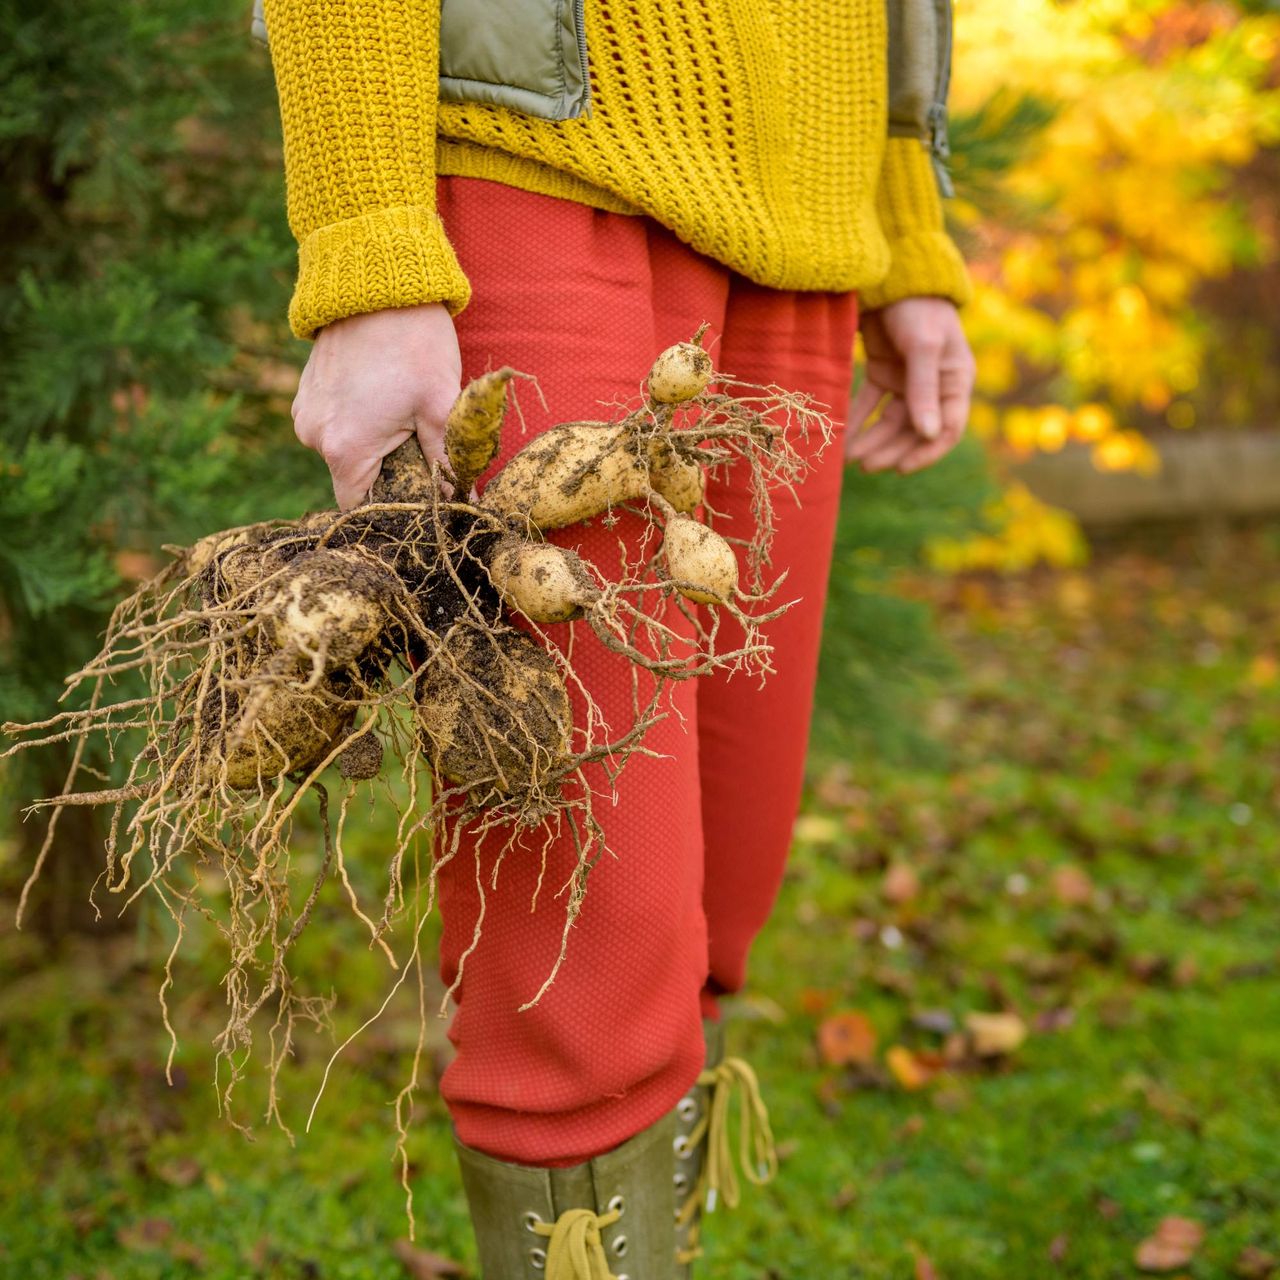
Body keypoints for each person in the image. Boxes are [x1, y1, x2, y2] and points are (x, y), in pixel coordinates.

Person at [261, 1, 976, 1275]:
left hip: (804, 214)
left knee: (715, 895)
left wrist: (906, 218)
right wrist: (369, 242)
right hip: (536, 156)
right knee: (585, 923)